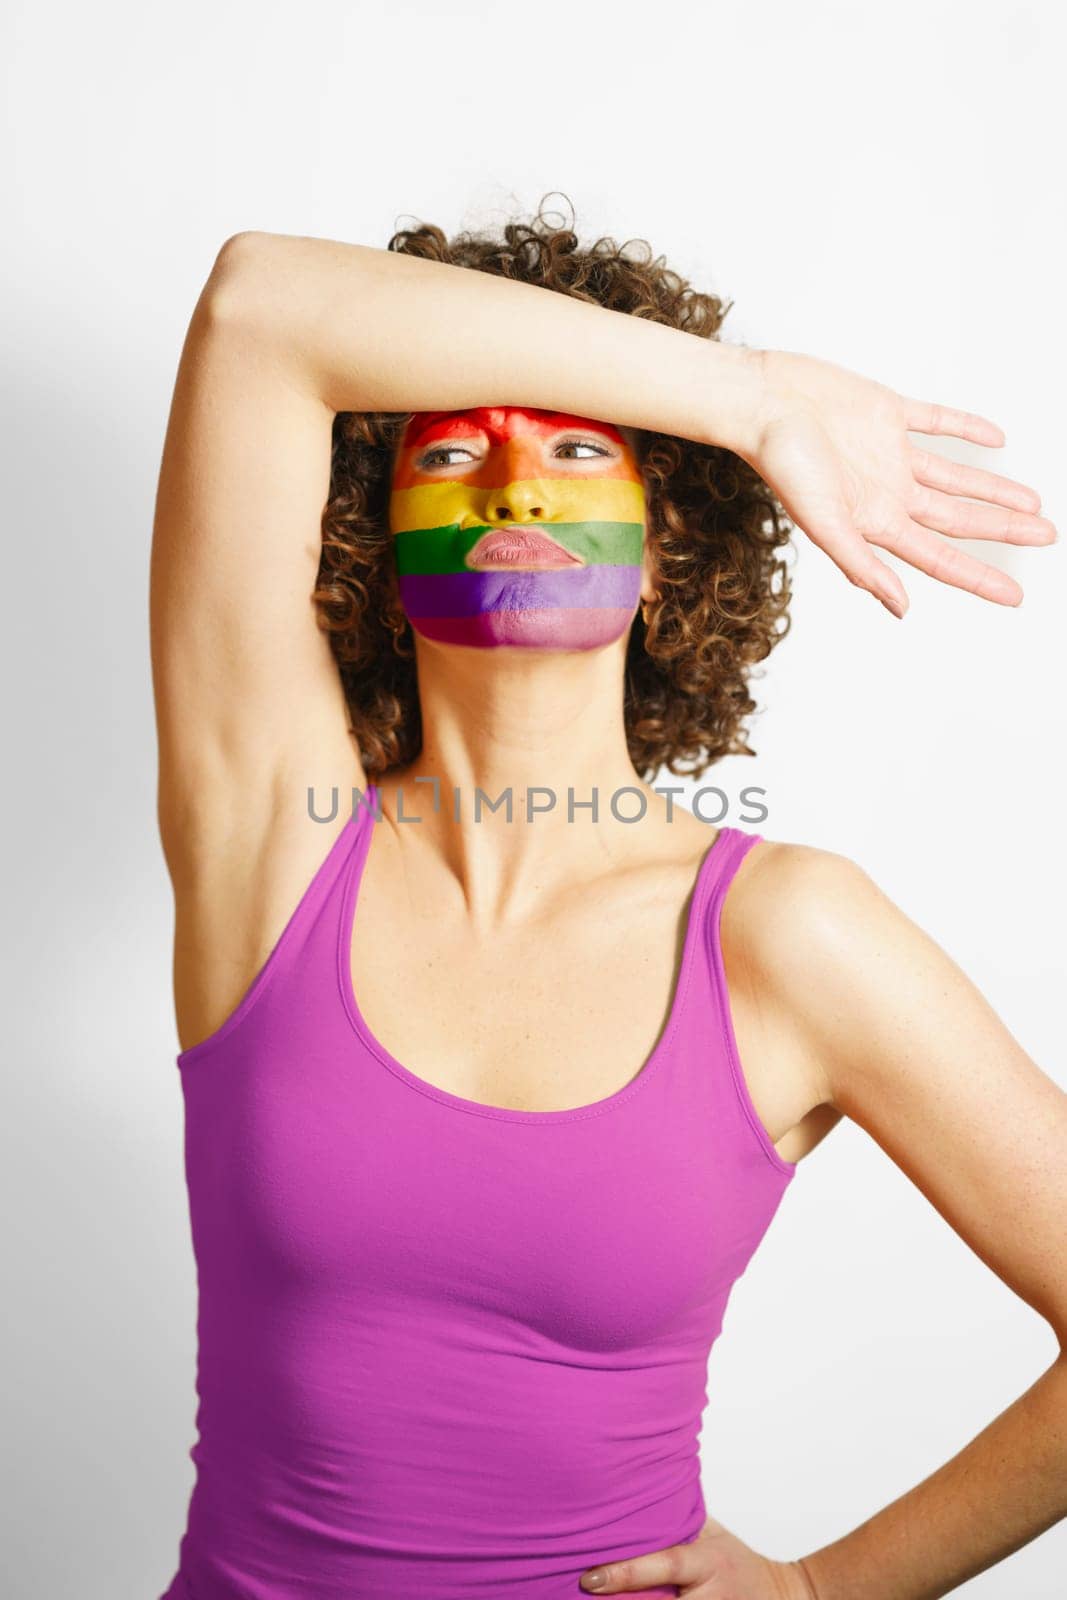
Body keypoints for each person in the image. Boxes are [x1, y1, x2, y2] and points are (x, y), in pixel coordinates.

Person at [149, 200, 1067, 1600]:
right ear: (370, 542)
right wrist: (755, 400)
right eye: (450, 455)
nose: (513, 493)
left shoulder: (787, 936)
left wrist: (829, 1591)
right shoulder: (270, 843)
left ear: (668, 547)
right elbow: (260, 307)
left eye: (580, 453)